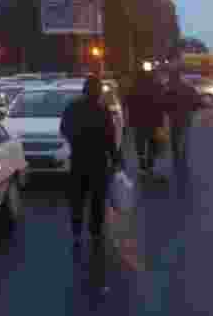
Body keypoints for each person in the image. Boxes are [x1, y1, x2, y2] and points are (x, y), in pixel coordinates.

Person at [60, 75, 121, 249]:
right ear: (98, 91)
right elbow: (110, 138)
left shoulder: (72, 108)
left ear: (84, 90)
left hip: (78, 160)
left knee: (77, 200)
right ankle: (95, 232)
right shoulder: (103, 111)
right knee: (97, 199)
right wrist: (116, 160)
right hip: (98, 162)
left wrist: (74, 140)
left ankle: (77, 233)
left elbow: (63, 129)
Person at [126, 69, 166, 181]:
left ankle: (142, 163)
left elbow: (129, 102)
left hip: (138, 121)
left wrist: (131, 119)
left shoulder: (134, 88)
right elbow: (161, 103)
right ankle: (149, 163)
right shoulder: (156, 87)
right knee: (152, 142)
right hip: (153, 121)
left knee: (140, 142)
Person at [163, 67, 204, 166]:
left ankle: (176, 157)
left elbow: (163, 103)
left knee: (175, 136)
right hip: (186, 116)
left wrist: (167, 111)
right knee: (184, 137)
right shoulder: (188, 88)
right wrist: (193, 109)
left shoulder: (168, 89)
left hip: (174, 117)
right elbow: (198, 101)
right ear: (180, 77)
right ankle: (182, 158)